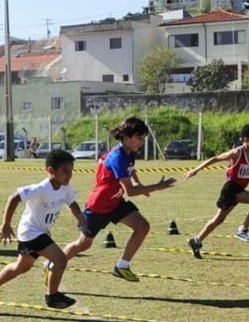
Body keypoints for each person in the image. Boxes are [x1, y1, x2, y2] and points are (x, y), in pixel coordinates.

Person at [59, 117, 176, 282]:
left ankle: (122, 266)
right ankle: (53, 264)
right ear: (126, 138)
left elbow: (131, 170)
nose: (141, 142)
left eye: (143, 138)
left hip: (115, 202)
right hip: (99, 205)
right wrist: (157, 186)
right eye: (139, 138)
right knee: (83, 244)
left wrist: (138, 182)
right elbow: (130, 192)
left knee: (142, 226)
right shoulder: (117, 157)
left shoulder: (129, 152)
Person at [0, 149, 85, 310]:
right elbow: (14, 196)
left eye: (71, 172)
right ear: (51, 170)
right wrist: (6, 224)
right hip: (31, 232)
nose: (69, 175)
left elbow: (72, 203)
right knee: (60, 259)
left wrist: (82, 219)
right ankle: (52, 296)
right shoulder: (41, 188)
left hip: (39, 232)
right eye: (65, 171)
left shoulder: (65, 188)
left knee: (22, 267)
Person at [184, 123, 249, 259]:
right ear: (246, 140)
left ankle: (196, 241)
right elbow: (215, 158)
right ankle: (242, 230)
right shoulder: (237, 152)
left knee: (219, 219)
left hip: (239, 189)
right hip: (231, 188)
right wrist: (195, 170)